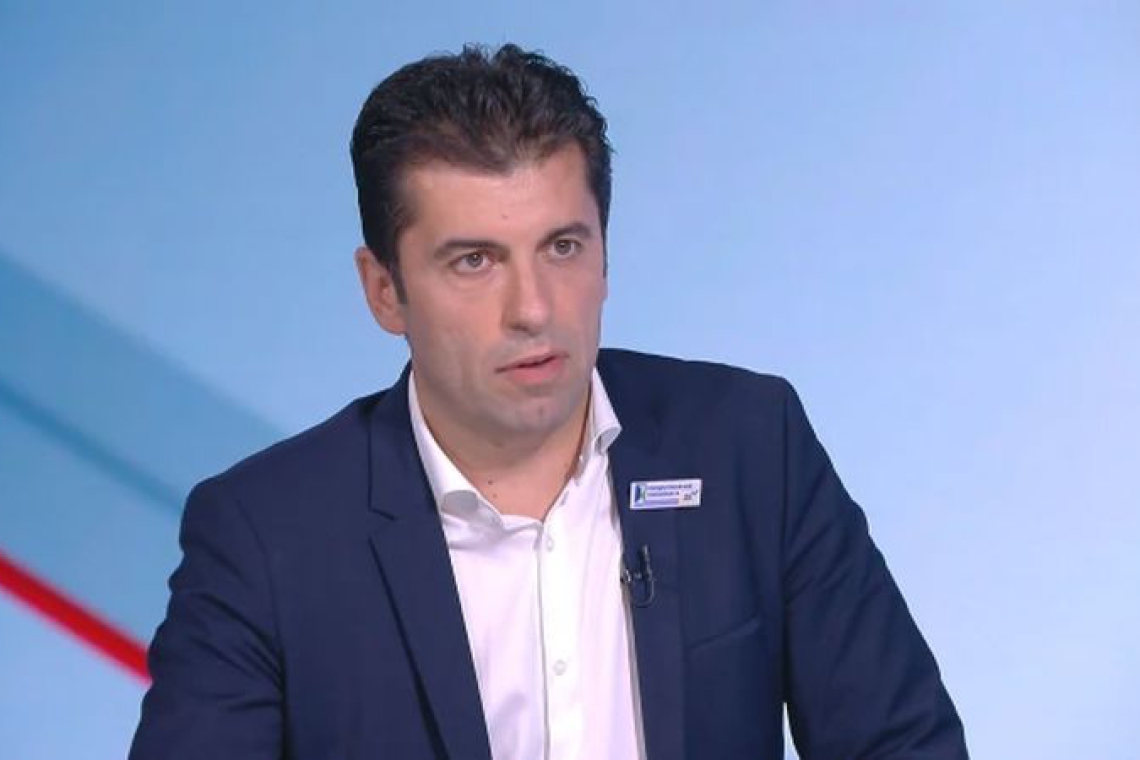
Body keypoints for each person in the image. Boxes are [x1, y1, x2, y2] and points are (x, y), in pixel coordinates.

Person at [131, 43, 967, 759]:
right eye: (474, 261)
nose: (533, 308)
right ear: (384, 291)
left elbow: (901, 745)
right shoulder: (265, 536)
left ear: (605, 254)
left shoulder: (748, 445)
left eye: (562, 247)